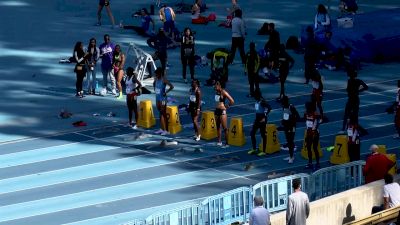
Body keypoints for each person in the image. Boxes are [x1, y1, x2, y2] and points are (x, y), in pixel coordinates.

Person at [247, 89, 271, 156]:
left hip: (262, 119)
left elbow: (269, 108)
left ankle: (264, 151)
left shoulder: (262, 101)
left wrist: (264, 117)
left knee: (263, 135)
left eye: (255, 96)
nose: (254, 97)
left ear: (258, 95)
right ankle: (254, 149)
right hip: (257, 119)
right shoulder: (257, 100)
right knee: (252, 133)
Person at [153, 67, 174, 135]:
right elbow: (154, 85)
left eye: (156, 74)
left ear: (160, 74)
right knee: (160, 113)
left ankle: (167, 130)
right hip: (157, 98)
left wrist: (166, 92)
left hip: (162, 99)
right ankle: (162, 129)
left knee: (163, 113)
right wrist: (154, 86)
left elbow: (171, 86)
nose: (155, 75)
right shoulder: (156, 79)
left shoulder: (164, 79)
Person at [214, 81, 234, 147]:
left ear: (220, 86)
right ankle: (219, 141)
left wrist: (226, 106)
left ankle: (227, 143)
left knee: (225, 128)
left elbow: (232, 101)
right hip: (216, 111)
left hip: (222, 111)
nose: (215, 87)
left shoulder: (224, 92)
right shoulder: (216, 92)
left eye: (216, 86)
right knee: (218, 127)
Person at [281, 96, 300, 164]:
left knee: (290, 142)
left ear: (286, 101)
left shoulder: (291, 107)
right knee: (288, 141)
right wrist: (283, 121)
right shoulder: (284, 107)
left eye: (282, 102)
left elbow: (298, 117)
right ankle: (290, 156)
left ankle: (291, 157)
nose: (282, 103)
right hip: (286, 126)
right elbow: (285, 116)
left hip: (291, 127)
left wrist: (290, 121)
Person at [304, 101, 321, 171]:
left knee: (314, 148)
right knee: (308, 148)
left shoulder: (315, 114)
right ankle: (310, 163)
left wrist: (314, 131)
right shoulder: (306, 114)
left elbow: (317, 122)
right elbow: (305, 121)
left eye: (306, 107)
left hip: (315, 133)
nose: (306, 108)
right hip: (308, 132)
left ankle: (317, 163)